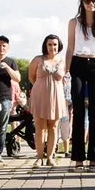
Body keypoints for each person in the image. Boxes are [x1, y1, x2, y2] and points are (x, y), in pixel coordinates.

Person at [67, 0, 95, 171]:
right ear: (82, 2)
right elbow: (70, 48)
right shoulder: (74, 22)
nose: (90, 3)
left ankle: (93, 158)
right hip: (77, 64)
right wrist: (66, 71)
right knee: (78, 111)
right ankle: (78, 158)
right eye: (86, 0)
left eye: (94, 0)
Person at [29, 34, 68, 166]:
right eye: (49, 44)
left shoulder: (63, 61)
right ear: (45, 46)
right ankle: (39, 157)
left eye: (55, 44)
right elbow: (31, 77)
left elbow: (65, 78)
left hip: (56, 97)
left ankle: (50, 157)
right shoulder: (38, 59)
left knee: (53, 127)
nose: (52, 47)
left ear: (59, 46)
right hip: (40, 97)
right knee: (40, 128)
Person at [0, 35, 21, 162]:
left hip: (5, 98)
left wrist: (6, 67)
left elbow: (17, 78)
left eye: (4, 46)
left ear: (7, 47)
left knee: (2, 126)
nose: (1, 48)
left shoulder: (11, 62)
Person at [59, 76, 72, 158]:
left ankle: (66, 151)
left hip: (65, 107)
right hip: (56, 107)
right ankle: (52, 150)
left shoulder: (69, 78)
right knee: (54, 130)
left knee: (65, 131)